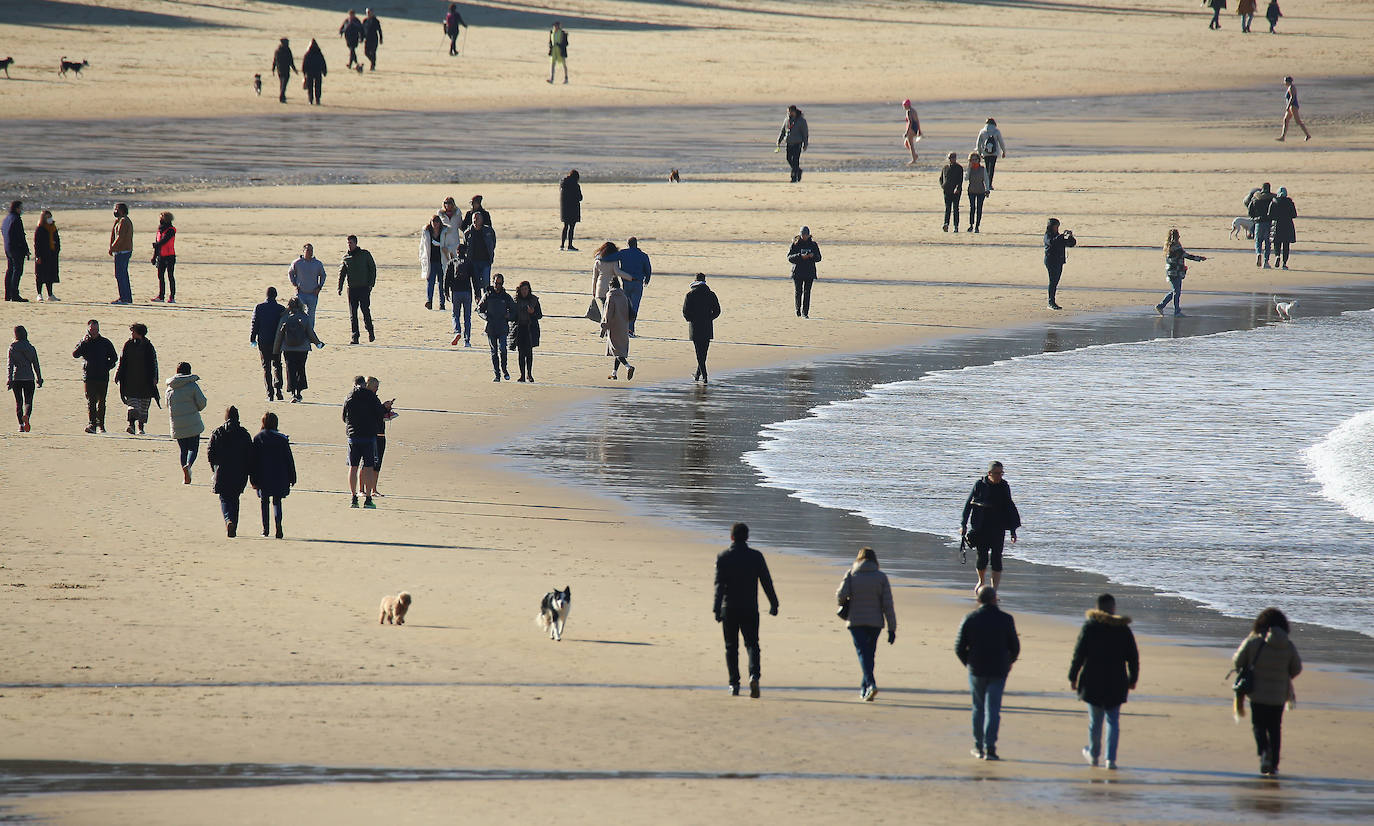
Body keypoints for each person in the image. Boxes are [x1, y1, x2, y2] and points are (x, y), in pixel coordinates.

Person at [1068, 594, 1140, 770]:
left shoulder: (1090, 627)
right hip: (1116, 682)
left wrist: (1073, 676)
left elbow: (1079, 655)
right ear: (1113, 608)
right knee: (1113, 721)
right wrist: (1133, 679)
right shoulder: (1123, 629)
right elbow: (1133, 658)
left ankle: (1093, 756)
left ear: (1097, 608)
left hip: (1092, 681)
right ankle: (1110, 760)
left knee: (1095, 722)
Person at [713, 522, 779, 698]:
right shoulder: (756, 556)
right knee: (752, 644)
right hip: (750, 608)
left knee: (731, 647)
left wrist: (716, 609)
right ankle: (754, 676)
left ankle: (734, 684)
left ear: (731, 537)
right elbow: (766, 581)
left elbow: (719, 585)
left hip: (729, 608)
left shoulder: (723, 557)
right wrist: (774, 603)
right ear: (747, 537)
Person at [1233, 607, 1302, 776]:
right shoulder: (1288, 645)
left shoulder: (1253, 642)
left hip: (1257, 693)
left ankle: (1264, 753)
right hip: (1279, 696)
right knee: (1275, 728)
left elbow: (1238, 661)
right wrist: (1283, 678)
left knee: (1258, 725)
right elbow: (1296, 668)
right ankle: (1274, 765)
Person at [955, 586, 1020, 761]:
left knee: (978, 708)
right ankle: (990, 748)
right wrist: (1009, 662)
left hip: (977, 669)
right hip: (998, 669)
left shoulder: (970, 618)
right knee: (993, 709)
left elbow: (959, 647)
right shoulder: (1006, 619)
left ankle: (978, 746)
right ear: (995, 599)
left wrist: (968, 663)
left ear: (978, 600)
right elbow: (1015, 647)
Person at [836, 547, 897, 702]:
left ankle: (870, 684)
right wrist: (892, 629)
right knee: (869, 654)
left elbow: (840, 595)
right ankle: (866, 688)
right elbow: (888, 605)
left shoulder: (851, 574)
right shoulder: (881, 577)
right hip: (875, 623)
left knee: (863, 653)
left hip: (856, 621)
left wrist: (845, 602)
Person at [960, 461, 1021, 593]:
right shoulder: (980, 485)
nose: (999, 476)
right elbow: (968, 505)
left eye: (1001, 473)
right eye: (997, 473)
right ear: (989, 473)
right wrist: (963, 525)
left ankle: (994, 590)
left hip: (998, 528)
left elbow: (1010, 508)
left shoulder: (1004, 486)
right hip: (981, 527)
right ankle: (981, 581)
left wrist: (1013, 531)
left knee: (997, 558)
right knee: (982, 557)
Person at [207, 406, 254, 537]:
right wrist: (249, 470)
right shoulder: (244, 433)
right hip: (239, 471)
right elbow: (250, 454)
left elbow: (210, 451)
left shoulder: (218, 432)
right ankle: (233, 524)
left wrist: (214, 467)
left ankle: (228, 520)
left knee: (224, 498)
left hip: (222, 470)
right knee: (235, 498)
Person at [250, 411, 296, 539]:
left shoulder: (258, 438)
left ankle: (265, 529)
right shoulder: (282, 439)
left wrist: (253, 479)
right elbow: (289, 459)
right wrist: (292, 476)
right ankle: (278, 525)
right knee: (277, 501)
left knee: (264, 502)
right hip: (279, 475)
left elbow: (253, 461)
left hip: (263, 476)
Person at [343, 375, 384, 508]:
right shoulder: (371, 397)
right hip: (368, 436)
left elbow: (344, 417)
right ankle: (368, 498)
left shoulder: (349, 396)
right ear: (364, 384)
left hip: (353, 436)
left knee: (353, 467)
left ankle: (353, 497)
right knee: (369, 467)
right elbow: (379, 414)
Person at [273, 297, 323, 403]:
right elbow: (310, 333)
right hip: (303, 348)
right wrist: (318, 343)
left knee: (290, 370)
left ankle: (293, 393)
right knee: (301, 369)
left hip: (288, 348)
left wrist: (276, 350)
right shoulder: (304, 317)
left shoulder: (285, 317)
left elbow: (279, 335)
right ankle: (299, 393)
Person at [72, 319, 119, 433]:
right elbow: (75, 354)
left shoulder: (105, 342)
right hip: (89, 376)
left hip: (102, 376)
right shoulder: (84, 342)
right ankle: (92, 424)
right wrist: (83, 342)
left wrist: (107, 367)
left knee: (102, 401)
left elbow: (114, 358)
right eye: (92, 329)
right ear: (88, 329)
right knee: (91, 401)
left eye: (96, 329)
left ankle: (101, 425)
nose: (94, 332)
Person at [166, 362, 208, 485]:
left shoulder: (170, 387)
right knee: (193, 448)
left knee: (183, 450)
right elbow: (202, 403)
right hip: (192, 422)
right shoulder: (192, 385)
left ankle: (185, 475)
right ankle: (188, 466)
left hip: (177, 423)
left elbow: (167, 405)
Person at [114, 323, 158, 435]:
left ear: (139, 333)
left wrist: (155, 377)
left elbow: (154, 363)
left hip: (146, 381)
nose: (132, 333)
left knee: (143, 406)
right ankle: (131, 425)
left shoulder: (148, 346)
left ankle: (140, 428)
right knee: (133, 406)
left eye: (133, 331)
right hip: (130, 380)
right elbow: (122, 360)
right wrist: (118, 374)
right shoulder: (128, 344)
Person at [1156, 228, 1206, 316]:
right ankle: (1176, 311)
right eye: (1178, 235)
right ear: (1176, 236)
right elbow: (1186, 255)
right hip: (1176, 272)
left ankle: (1161, 306)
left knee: (1175, 291)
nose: (1179, 236)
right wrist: (1199, 258)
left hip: (1171, 271)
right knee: (1177, 292)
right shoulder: (1176, 247)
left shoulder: (1168, 246)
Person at [338, 235, 377, 344]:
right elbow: (342, 273)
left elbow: (372, 269)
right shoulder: (346, 257)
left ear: (355, 243)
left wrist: (371, 284)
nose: (349, 245)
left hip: (364, 288)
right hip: (351, 289)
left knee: (365, 311)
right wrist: (339, 287)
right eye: (348, 243)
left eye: (351, 243)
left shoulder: (365, 254)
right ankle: (355, 337)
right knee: (353, 314)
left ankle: (370, 331)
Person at [477, 272, 516, 381]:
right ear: (493, 282)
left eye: (500, 283)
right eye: (496, 283)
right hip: (491, 328)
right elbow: (479, 309)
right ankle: (497, 375)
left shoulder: (506, 296)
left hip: (502, 327)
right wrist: (486, 317)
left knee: (503, 349)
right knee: (494, 351)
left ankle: (504, 369)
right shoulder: (488, 295)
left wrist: (509, 316)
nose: (498, 285)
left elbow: (514, 311)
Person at [683, 273, 721, 383]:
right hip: (707, 326)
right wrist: (709, 318)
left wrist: (691, 319)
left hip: (695, 327)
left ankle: (704, 376)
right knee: (703, 353)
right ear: (705, 281)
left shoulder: (690, 294)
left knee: (699, 353)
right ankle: (698, 375)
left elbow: (685, 312)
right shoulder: (711, 294)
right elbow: (717, 311)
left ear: (695, 281)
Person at [251, 286, 287, 401]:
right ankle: (278, 390)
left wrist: (252, 338)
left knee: (266, 367)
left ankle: (269, 393)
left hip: (264, 340)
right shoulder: (280, 308)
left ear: (266, 295)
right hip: (277, 341)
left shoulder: (259, 307)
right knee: (277, 364)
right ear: (275, 295)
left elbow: (255, 323)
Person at [7, 326, 41, 433]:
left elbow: (10, 365)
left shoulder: (12, 347)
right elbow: (36, 364)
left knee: (19, 402)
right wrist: (39, 378)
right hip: (29, 378)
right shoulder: (31, 348)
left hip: (17, 378)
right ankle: (26, 416)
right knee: (28, 401)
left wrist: (9, 379)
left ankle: (21, 425)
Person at [287, 243, 326, 331]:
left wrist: (319, 287)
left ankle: (310, 333)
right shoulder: (297, 263)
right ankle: (299, 331)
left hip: (313, 294)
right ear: (303, 251)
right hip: (300, 293)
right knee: (298, 313)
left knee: (311, 315)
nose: (310, 252)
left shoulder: (317, 264)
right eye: (308, 250)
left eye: (311, 250)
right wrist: (294, 285)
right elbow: (290, 273)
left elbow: (323, 275)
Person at [617, 237, 652, 336]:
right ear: (636, 244)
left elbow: (613, 259)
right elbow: (648, 269)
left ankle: (625, 329)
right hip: (638, 283)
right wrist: (647, 279)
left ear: (628, 244)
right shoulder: (643, 255)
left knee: (625, 306)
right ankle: (630, 330)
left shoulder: (623, 253)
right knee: (634, 307)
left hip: (626, 282)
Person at [365, 377, 394, 495]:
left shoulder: (374, 399)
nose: (377, 389)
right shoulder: (367, 399)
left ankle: (374, 489)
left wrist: (386, 409)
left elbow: (378, 413)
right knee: (368, 464)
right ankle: (362, 489)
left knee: (377, 464)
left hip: (380, 434)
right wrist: (384, 407)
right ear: (370, 386)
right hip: (372, 435)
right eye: (376, 387)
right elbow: (373, 413)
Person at [602, 276, 634, 380]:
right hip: (624, 325)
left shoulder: (611, 296)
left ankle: (628, 367)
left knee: (616, 349)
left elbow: (608, 313)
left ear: (610, 285)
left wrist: (604, 327)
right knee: (620, 349)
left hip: (613, 326)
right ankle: (614, 373)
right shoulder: (624, 295)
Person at [787, 226, 822, 318]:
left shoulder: (813, 245)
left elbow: (819, 258)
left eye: (806, 235)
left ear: (809, 235)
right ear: (800, 234)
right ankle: (798, 310)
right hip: (798, 272)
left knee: (807, 292)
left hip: (809, 272)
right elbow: (789, 258)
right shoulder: (795, 244)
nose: (804, 236)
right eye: (803, 235)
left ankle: (805, 312)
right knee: (798, 291)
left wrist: (812, 256)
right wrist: (800, 256)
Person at [512, 280, 543, 382]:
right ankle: (522, 375)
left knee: (529, 352)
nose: (524, 291)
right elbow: (512, 315)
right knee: (521, 353)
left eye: (526, 289)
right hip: (519, 329)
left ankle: (529, 374)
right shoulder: (515, 300)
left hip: (530, 329)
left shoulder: (534, 300)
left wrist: (532, 312)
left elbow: (539, 315)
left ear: (529, 290)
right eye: (522, 289)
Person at [1043, 218, 1076, 310]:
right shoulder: (1048, 235)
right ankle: (1051, 302)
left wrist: (1070, 237)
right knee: (1053, 282)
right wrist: (1062, 236)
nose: (1057, 228)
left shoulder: (1058, 236)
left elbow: (1071, 244)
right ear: (1051, 226)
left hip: (1059, 261)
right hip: (1051, 261)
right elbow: (1052, 242)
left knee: (1055, 281)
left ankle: (1052, 302)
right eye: (1056, 226)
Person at [446, 243, 475, 347]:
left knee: (455, 315)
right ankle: (467, 341)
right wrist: (477, 294)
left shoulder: (452, 262)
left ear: (457, 251)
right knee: (467, 317)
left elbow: (447, 278)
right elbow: (474, 279)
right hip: (467, 292)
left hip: (456, 292)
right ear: (465, 252)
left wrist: (446, 292)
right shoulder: (469, 262)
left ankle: (457, 331)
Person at [591, 241, 629, 321]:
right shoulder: (614, 261)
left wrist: (594, 291)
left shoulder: (597, 261)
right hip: (612, 287)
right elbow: (617, 272)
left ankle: (604, 325)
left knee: (604, 309)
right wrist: (631, 277)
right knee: (612, 310)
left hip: (600, 288)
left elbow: (594, 278)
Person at [463, 211, 496, 295]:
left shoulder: (488, 231)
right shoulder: (467, 233)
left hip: (486, 261)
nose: (475, 220)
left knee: (486, 282)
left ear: (482, 220)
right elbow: (465, 246)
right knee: (476, 283)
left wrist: (491, 255)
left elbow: (493, 243)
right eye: (474, 218)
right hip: (473, 262)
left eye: (477, 218)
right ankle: (478, 299)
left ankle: (486, 299)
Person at [2, 200, 28, 302]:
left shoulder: (6, 219)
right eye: (21, 208)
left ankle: (7, 295)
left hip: (8, 248)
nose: (22, 210)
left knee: (10, 270)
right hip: (16, 249)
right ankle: (14, 294)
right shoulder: (16, 219)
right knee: (17, 270)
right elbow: (20, 236)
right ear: (17, 208)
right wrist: (26, 249)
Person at [420, 215, 447, 311]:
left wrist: (442, 247)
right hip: (431, 261)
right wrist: (422, 258)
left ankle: (442, 303)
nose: (435, 224)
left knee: (442, 283)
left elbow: (448, 244)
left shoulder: (444, 231)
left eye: (437, 222)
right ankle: (429, 301)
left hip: (441, 261)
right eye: (433, 222)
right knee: (430, 282)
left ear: (440, 223)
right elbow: (422, 246)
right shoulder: (427, 232)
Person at [109, 202, 134, 304]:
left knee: (120, 275)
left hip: (122, 251)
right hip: (123, 250)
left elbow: (120, 237)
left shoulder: (124, 221)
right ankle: (126, 297)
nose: (115, 211)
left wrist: (112, 248)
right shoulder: (120, 220)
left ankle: (124, 297)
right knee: (123, 274)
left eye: (117, 209)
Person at [777, 105, 809, 182]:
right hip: (789, 142)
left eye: (790, 112)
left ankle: (794, 177)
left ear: (794, 112)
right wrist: (779, 141)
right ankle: (798, 170)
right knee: (788, 158)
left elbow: (805, 133)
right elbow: (783, 131)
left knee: (795, 160)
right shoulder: (786, 119)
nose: (789, 113)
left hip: (797, 143)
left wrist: (805, 144)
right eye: (788, 112)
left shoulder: (801, 121)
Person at [32, 209, 59, 301]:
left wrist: (57, 249)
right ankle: (39, 294)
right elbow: (37, 243)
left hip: (51, 254)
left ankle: (50, 294)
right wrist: (38, 256)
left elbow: (57, 239)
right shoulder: (40, 228)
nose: (50, 219)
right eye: (47, 217)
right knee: (40, 275)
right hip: (42, 255)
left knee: (50, 275)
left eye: (50, 217)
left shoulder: (53, 227)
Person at [1268, 187, 1297, 270]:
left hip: (1277, 224)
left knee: (1277, 243)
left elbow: (1270, 214)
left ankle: (1277, 256)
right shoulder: (1290, 202)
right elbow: (1294, 215)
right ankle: (1284, 263)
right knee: (1286, 245)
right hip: (1287, 225)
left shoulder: (1274, 201)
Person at [1247, 182, 1276, 268]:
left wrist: (1254, 218)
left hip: (1258, 222)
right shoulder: (1272, 198)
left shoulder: (1256, 198)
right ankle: (1266, 261)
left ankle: (1258, 253)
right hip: (1269, 222)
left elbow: (1250, 210)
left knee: (1258, 241)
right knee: (1268, 243)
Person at [976, 118, 1008, 189]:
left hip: (985, 153)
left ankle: (987, 184)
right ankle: (989, 184)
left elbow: (978, 143)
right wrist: (1003, 151)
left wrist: (979, 152)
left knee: (987, 168)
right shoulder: (996, 131)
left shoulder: (982, 131)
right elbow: (1001, 142)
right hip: (994, 153)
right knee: (992, 168)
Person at [152, 211, 176, 303]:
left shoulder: (171, 230)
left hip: (170, 256)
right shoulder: (159, 230)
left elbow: (164, 240)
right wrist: (154, 257)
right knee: (160, 276)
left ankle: (172, 297)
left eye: (161, 218)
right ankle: (161, 296)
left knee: (170, 276)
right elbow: (158, 244)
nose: (160, 219)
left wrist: (156, 245)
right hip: (161, 256)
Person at [1276, 76, 1310, 142]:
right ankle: (1283, 137)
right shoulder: (1289, 87)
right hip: (1291, 107)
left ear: (1288, 81)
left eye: (1285, 81)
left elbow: (1292, 97)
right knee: (1285, 120)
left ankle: (1307, 135)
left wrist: (1288, 106)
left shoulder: (1292, 87)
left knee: (1298, 121)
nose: (1284, 83)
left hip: (1293, 106)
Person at [939, 152, 964, 233]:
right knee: (948, 208)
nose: (952, 159)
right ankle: (946, 224)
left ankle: (956, 226)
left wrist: (958, 188)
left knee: (955, 208)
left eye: (953, 157)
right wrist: (943, 186)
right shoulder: (945, 167)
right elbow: (941, 178)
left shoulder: (959, 168)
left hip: (956, 191)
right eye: (950, 158)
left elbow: (960, 180)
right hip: (947, 191)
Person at [966, 154, 989, 234]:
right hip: (971, 191)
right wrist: (969, 168)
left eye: (975, 159)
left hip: (981, 191)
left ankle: (977, 226)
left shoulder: (982, 169)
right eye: (972, 160)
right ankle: (971, 225)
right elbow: (966, 178)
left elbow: (986, 180)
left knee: (979, 208)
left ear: (979, 160)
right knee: (972, 208)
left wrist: (987, 189)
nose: (974, 161)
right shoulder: (970, 169)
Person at [559, 169, 582, 251]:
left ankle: (562, 245)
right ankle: (570, 245)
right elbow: (580, 198)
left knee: (565, 226)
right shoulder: (576, 185)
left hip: (565, 208)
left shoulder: (563, 184)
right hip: (573, 208)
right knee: (571, 227)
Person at [302, 38, 327, 105]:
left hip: (309, 72)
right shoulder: (319, 53)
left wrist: (304, 73)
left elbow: (304, 64)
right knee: (318, 86)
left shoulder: (308, 54)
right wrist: (324, 71)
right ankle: (317, 99)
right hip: (317, 72)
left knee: (310, 87)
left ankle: (311, 100)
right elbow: (323, 63)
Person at [270, 37, 296, 103]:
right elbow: (291, 61)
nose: (288, 44)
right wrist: (294, 69)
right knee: (284, 84)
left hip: (279, 70)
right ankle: (282, 96)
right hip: (285, 69)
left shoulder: (277, 50)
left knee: (282, 83)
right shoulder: (287, 50)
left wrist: (273, 69)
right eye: (287, 42)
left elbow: (274, 61)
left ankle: (282, 96)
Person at [901, 99, 921, 165]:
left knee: (910, 145)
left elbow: (910, 122)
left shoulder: (909, 111)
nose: (903, 107)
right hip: (915, 128)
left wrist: (907, 132)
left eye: (904, 105)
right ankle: (915, 155)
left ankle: (914, 159)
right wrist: (919, 130)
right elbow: (917, 120)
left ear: (907, 105)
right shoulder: (913, 110)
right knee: (906, 143)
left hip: (911, 129)